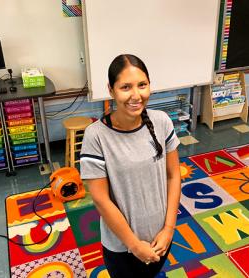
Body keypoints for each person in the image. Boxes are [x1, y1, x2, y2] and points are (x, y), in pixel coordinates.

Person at [80, 54, 181, 277]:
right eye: (126, 87)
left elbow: (174, 176)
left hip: (161, 238)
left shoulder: (162, 121)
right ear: (111, 90)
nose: (136, 95)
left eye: (142, 85)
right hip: (122, 246)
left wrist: (168, 229)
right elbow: (100, 199)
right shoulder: (95, 136)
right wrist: (134, 245)